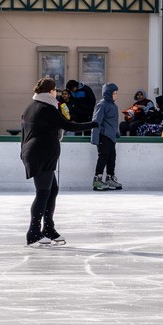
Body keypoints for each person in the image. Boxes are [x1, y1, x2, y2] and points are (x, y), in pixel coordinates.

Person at [20, 77, 97, 246]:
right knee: (43, 193)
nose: (57, 93)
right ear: (50, 91)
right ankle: (33, 233)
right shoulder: (46, 108)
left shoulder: (31, 107)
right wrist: (93, 124)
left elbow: (24, 133)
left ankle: (48, 229)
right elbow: (68, 125)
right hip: (41, 154)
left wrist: (23, 152)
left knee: (52, 190)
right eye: (55, 90)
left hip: (38, 154)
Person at [90, 83, 123, 191]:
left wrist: (116, 132)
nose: (116, 95)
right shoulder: (102, 105)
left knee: (112, 157)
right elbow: (96, 121)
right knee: (103, 157)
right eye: (114, 93)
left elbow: (113, 121)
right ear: (108, 94)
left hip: (111, 136)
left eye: (116, 93)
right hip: (103, 136)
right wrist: (95, 137)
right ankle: (97, 180)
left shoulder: (114, 106)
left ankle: (110, 177)